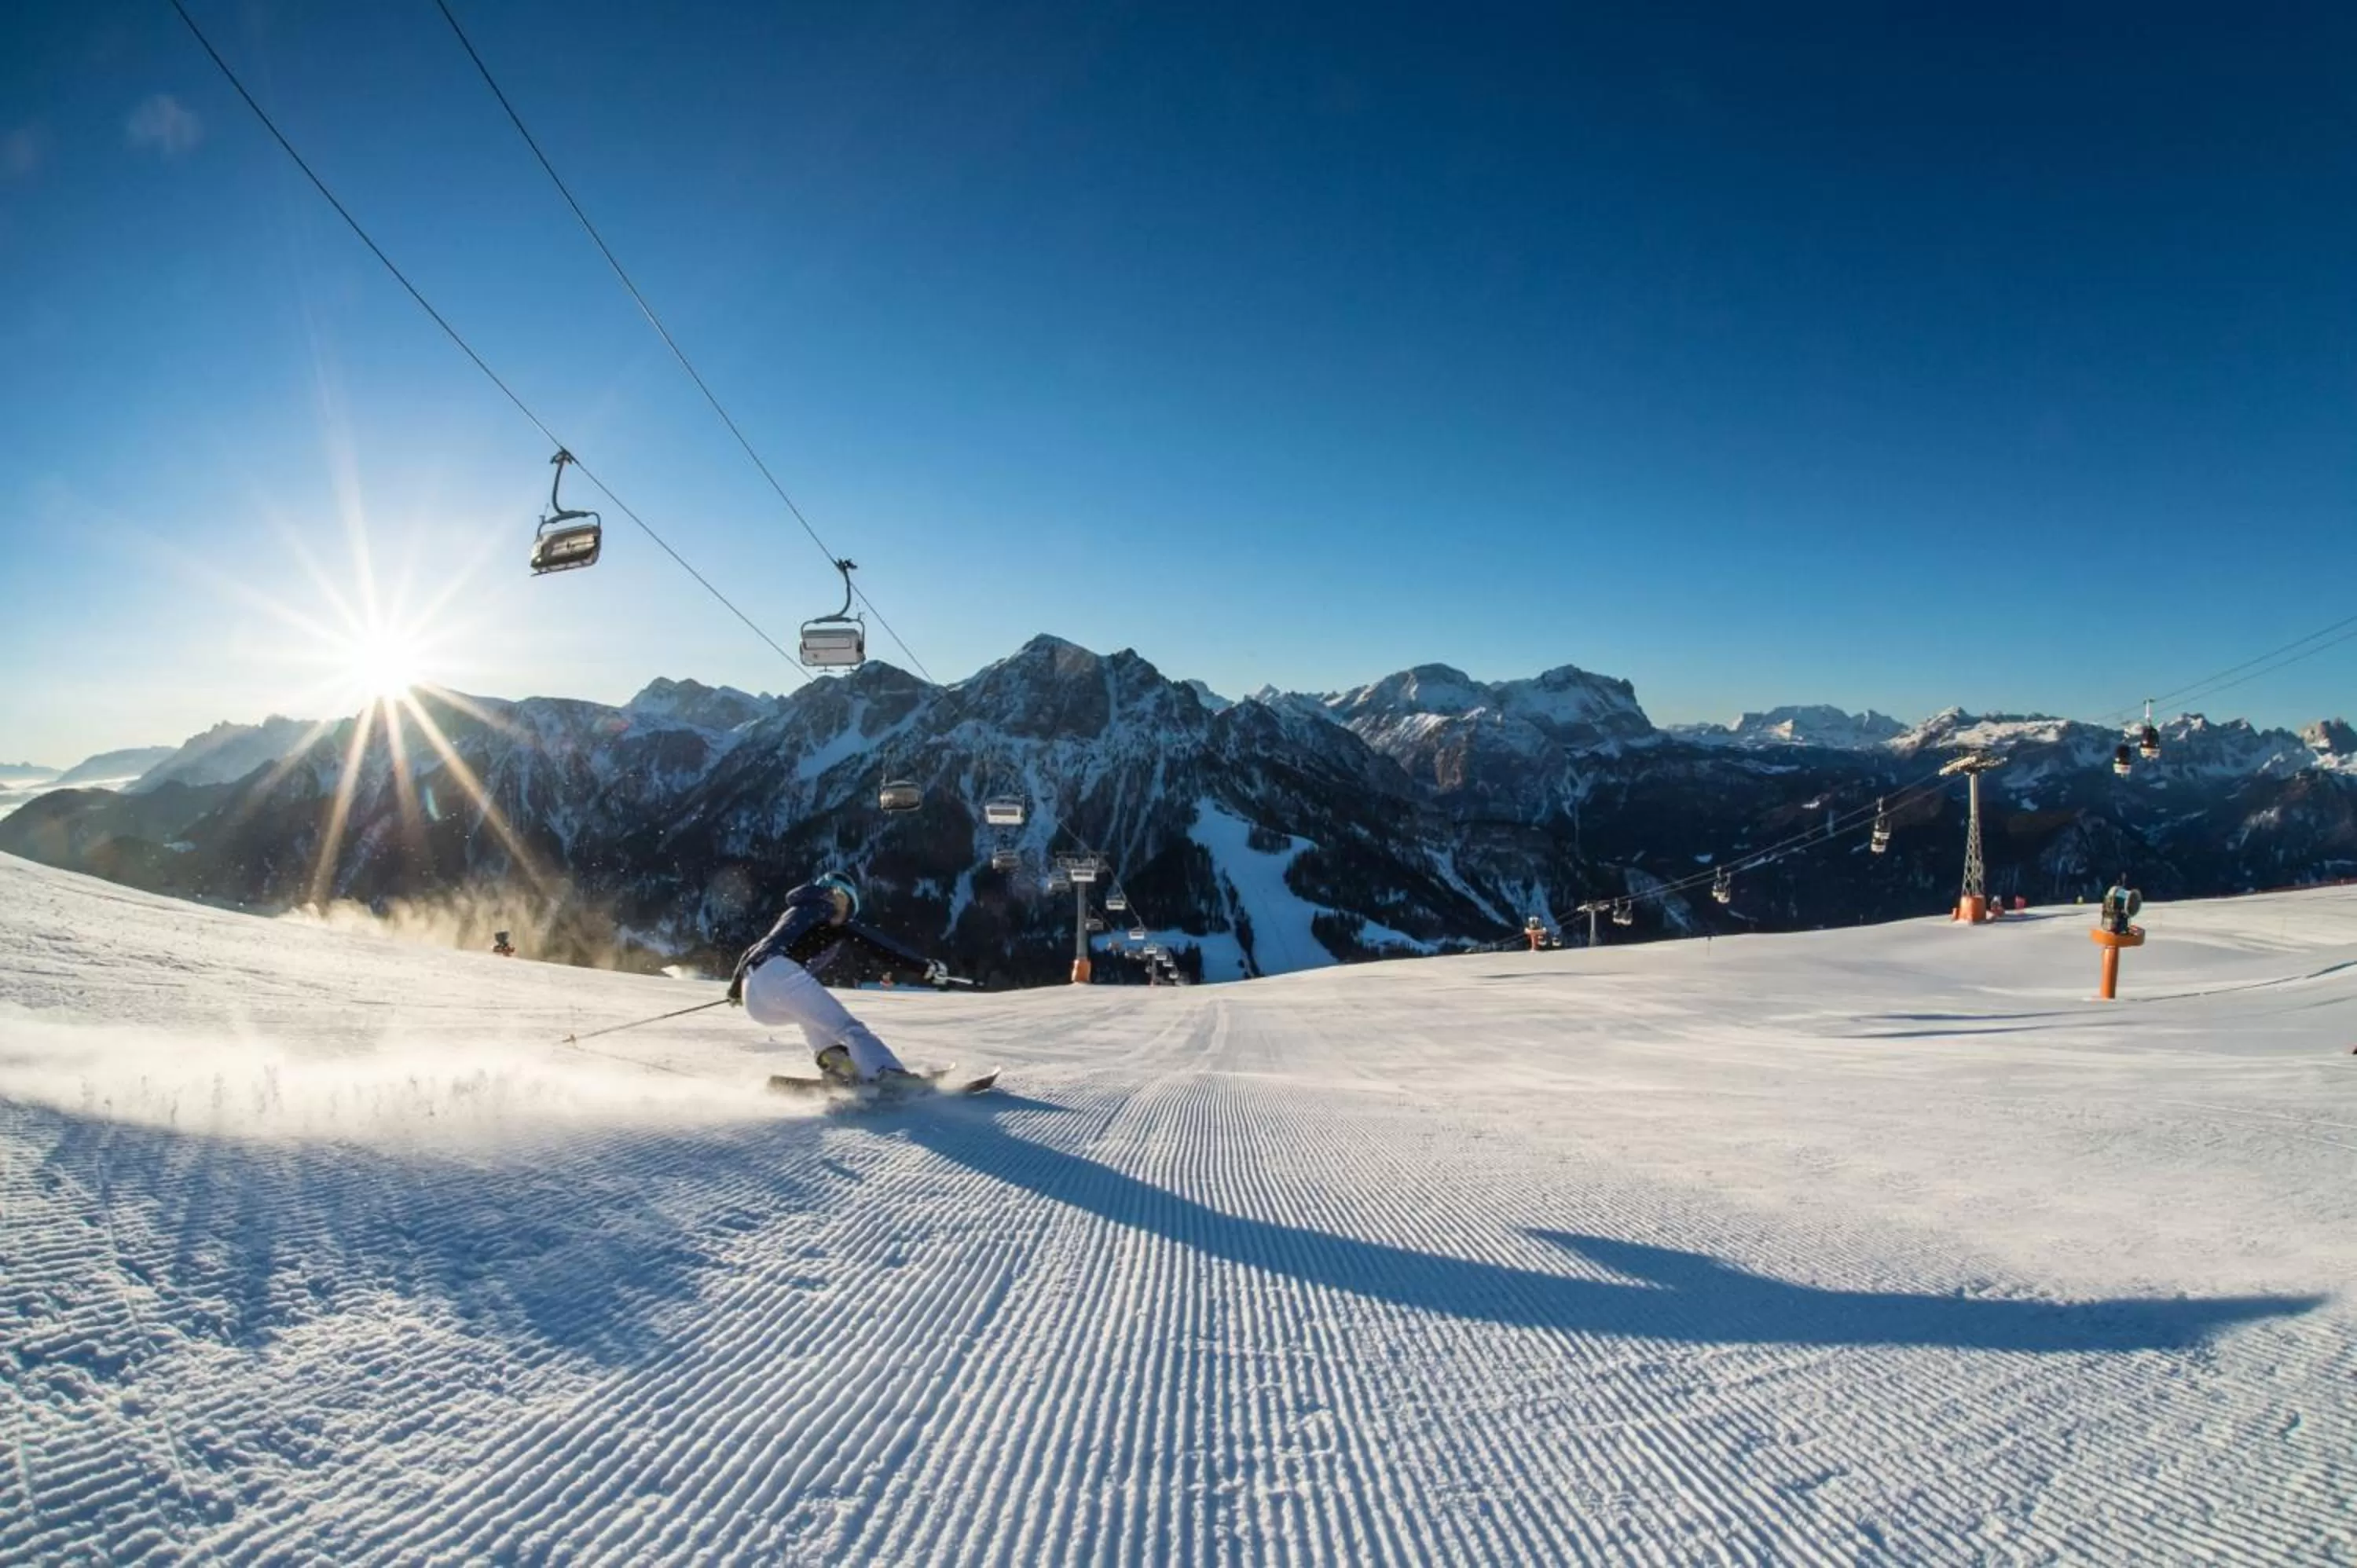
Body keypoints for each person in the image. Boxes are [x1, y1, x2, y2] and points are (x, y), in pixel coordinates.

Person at [726, 874, 944, 1086]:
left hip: (754, 994)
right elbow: (876, 943)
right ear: (833, 894)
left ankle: (839, 1066)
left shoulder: (798, 911)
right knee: (848, 1028)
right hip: (777, 973)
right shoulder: (825, 908)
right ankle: (887, 1073)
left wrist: (736, 990)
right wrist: (924, 967)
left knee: (809, 1016)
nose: (843, 907)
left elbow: (753, 950)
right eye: (842, 898)